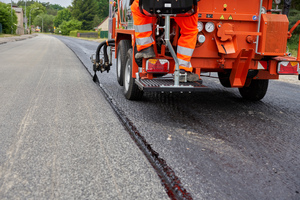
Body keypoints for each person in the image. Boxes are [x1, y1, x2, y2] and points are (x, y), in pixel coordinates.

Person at [131, 0, 199, 82]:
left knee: (137, 7)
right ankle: (182, 69)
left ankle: (146, 48)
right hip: (182, 6)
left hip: (156, 4)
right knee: (189, 31)